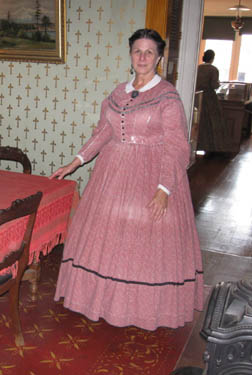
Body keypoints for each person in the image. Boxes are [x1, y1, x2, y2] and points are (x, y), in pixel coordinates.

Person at [51, 29, 203, 331]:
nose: (143, 57)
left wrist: (164, 189)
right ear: (130, 55)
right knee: (107, 237)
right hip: (113, 173)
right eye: (137, 51)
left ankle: (138, 308)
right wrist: (76, 161)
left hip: (152, 173)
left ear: (159, 56)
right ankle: (102, 301)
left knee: (142, 241)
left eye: (149, 52)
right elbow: (104, 132)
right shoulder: (118, 93)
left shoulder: (167, 96)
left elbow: (176, 146)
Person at [196, 50, 227, 153]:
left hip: (197, 96)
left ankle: (196, 144)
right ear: (212, 58)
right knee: (212, 122)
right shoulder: (213, 69)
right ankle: (211, 147)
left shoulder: (198, 68)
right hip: (209, 98)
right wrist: (218, 84)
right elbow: (214, 85)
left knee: (198, 121)